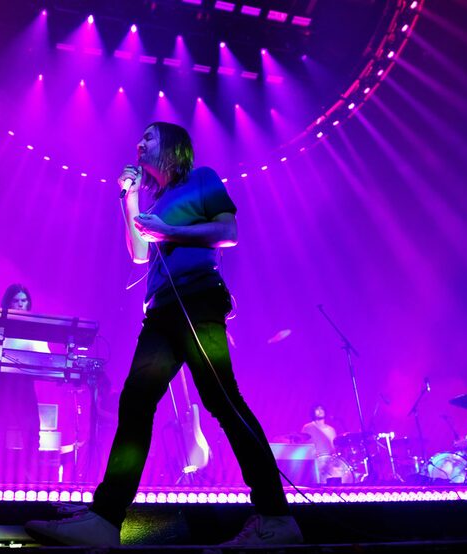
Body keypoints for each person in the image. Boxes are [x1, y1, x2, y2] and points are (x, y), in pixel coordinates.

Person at [24, 122, 303, 547]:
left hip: (198, 301)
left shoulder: (202, 180)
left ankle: (276, 517)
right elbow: (139, 254)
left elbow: (228, 233)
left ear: (172, 146)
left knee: (222, 400)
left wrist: (169, 231)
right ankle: (105, 518)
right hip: (161, 312)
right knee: (135, 402)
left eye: (149, 137)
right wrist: (129, 196)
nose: (139, 143)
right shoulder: (156, 199)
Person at [0, 283, 50, 484]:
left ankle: (31, 479)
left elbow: (45, 357)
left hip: (24, 387)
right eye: (16, 301)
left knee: (31, 433)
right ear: (8, 303)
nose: (20, 304)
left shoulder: (35, 328)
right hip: (1, 386)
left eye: (23, 300)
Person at [301, 404, 341, 484]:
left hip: (329, 463)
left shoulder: (331, 429)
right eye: (317, 409)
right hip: (315, 461)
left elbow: (334, 447)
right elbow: (304, 444)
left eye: (322, 409)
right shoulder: (308, 427)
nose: (320, 411)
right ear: (313, 412)